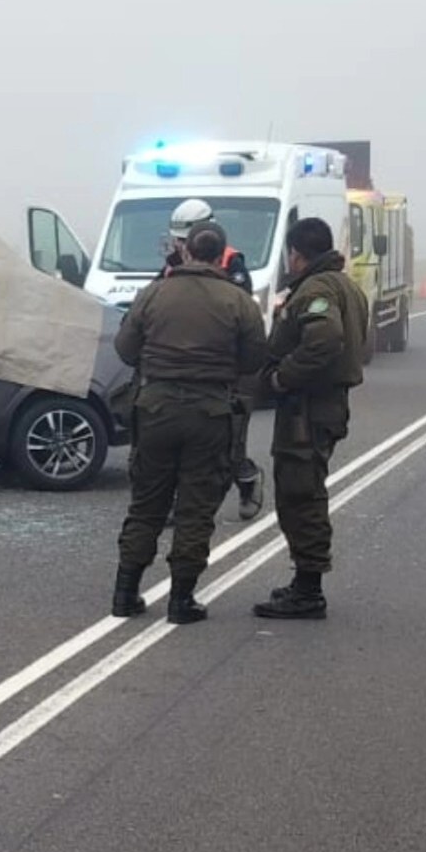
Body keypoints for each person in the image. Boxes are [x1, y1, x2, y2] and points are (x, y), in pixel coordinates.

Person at [111, 222, 268, 623]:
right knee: (196, 508)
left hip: (155, 409)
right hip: (210, 413)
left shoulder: (153, 294)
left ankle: (125, 593)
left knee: (147, 503)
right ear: (220, 257)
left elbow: (126, 350)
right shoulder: (239, 302)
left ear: (186, 252)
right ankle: (182, 600)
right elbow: (253, 361)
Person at [252, 217, 368, 619]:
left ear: (297, 255)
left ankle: (308, 590)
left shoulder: (318, 289)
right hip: (324, 404)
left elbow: (326, 339)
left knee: (301, 494)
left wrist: (284, 377)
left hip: (308, 407)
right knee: (304, 488)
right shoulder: (344, 285)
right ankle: (305, 582)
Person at [160, 198, 264, 521]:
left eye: (184, 238)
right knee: (181, 444)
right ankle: (183, 506)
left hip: (228, 372)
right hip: (186, 370)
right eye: (177, 239)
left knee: (229, 447)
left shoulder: (232, 265)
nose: (180, 245)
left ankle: (248, 479)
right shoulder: (170, 266)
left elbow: (242, 315)